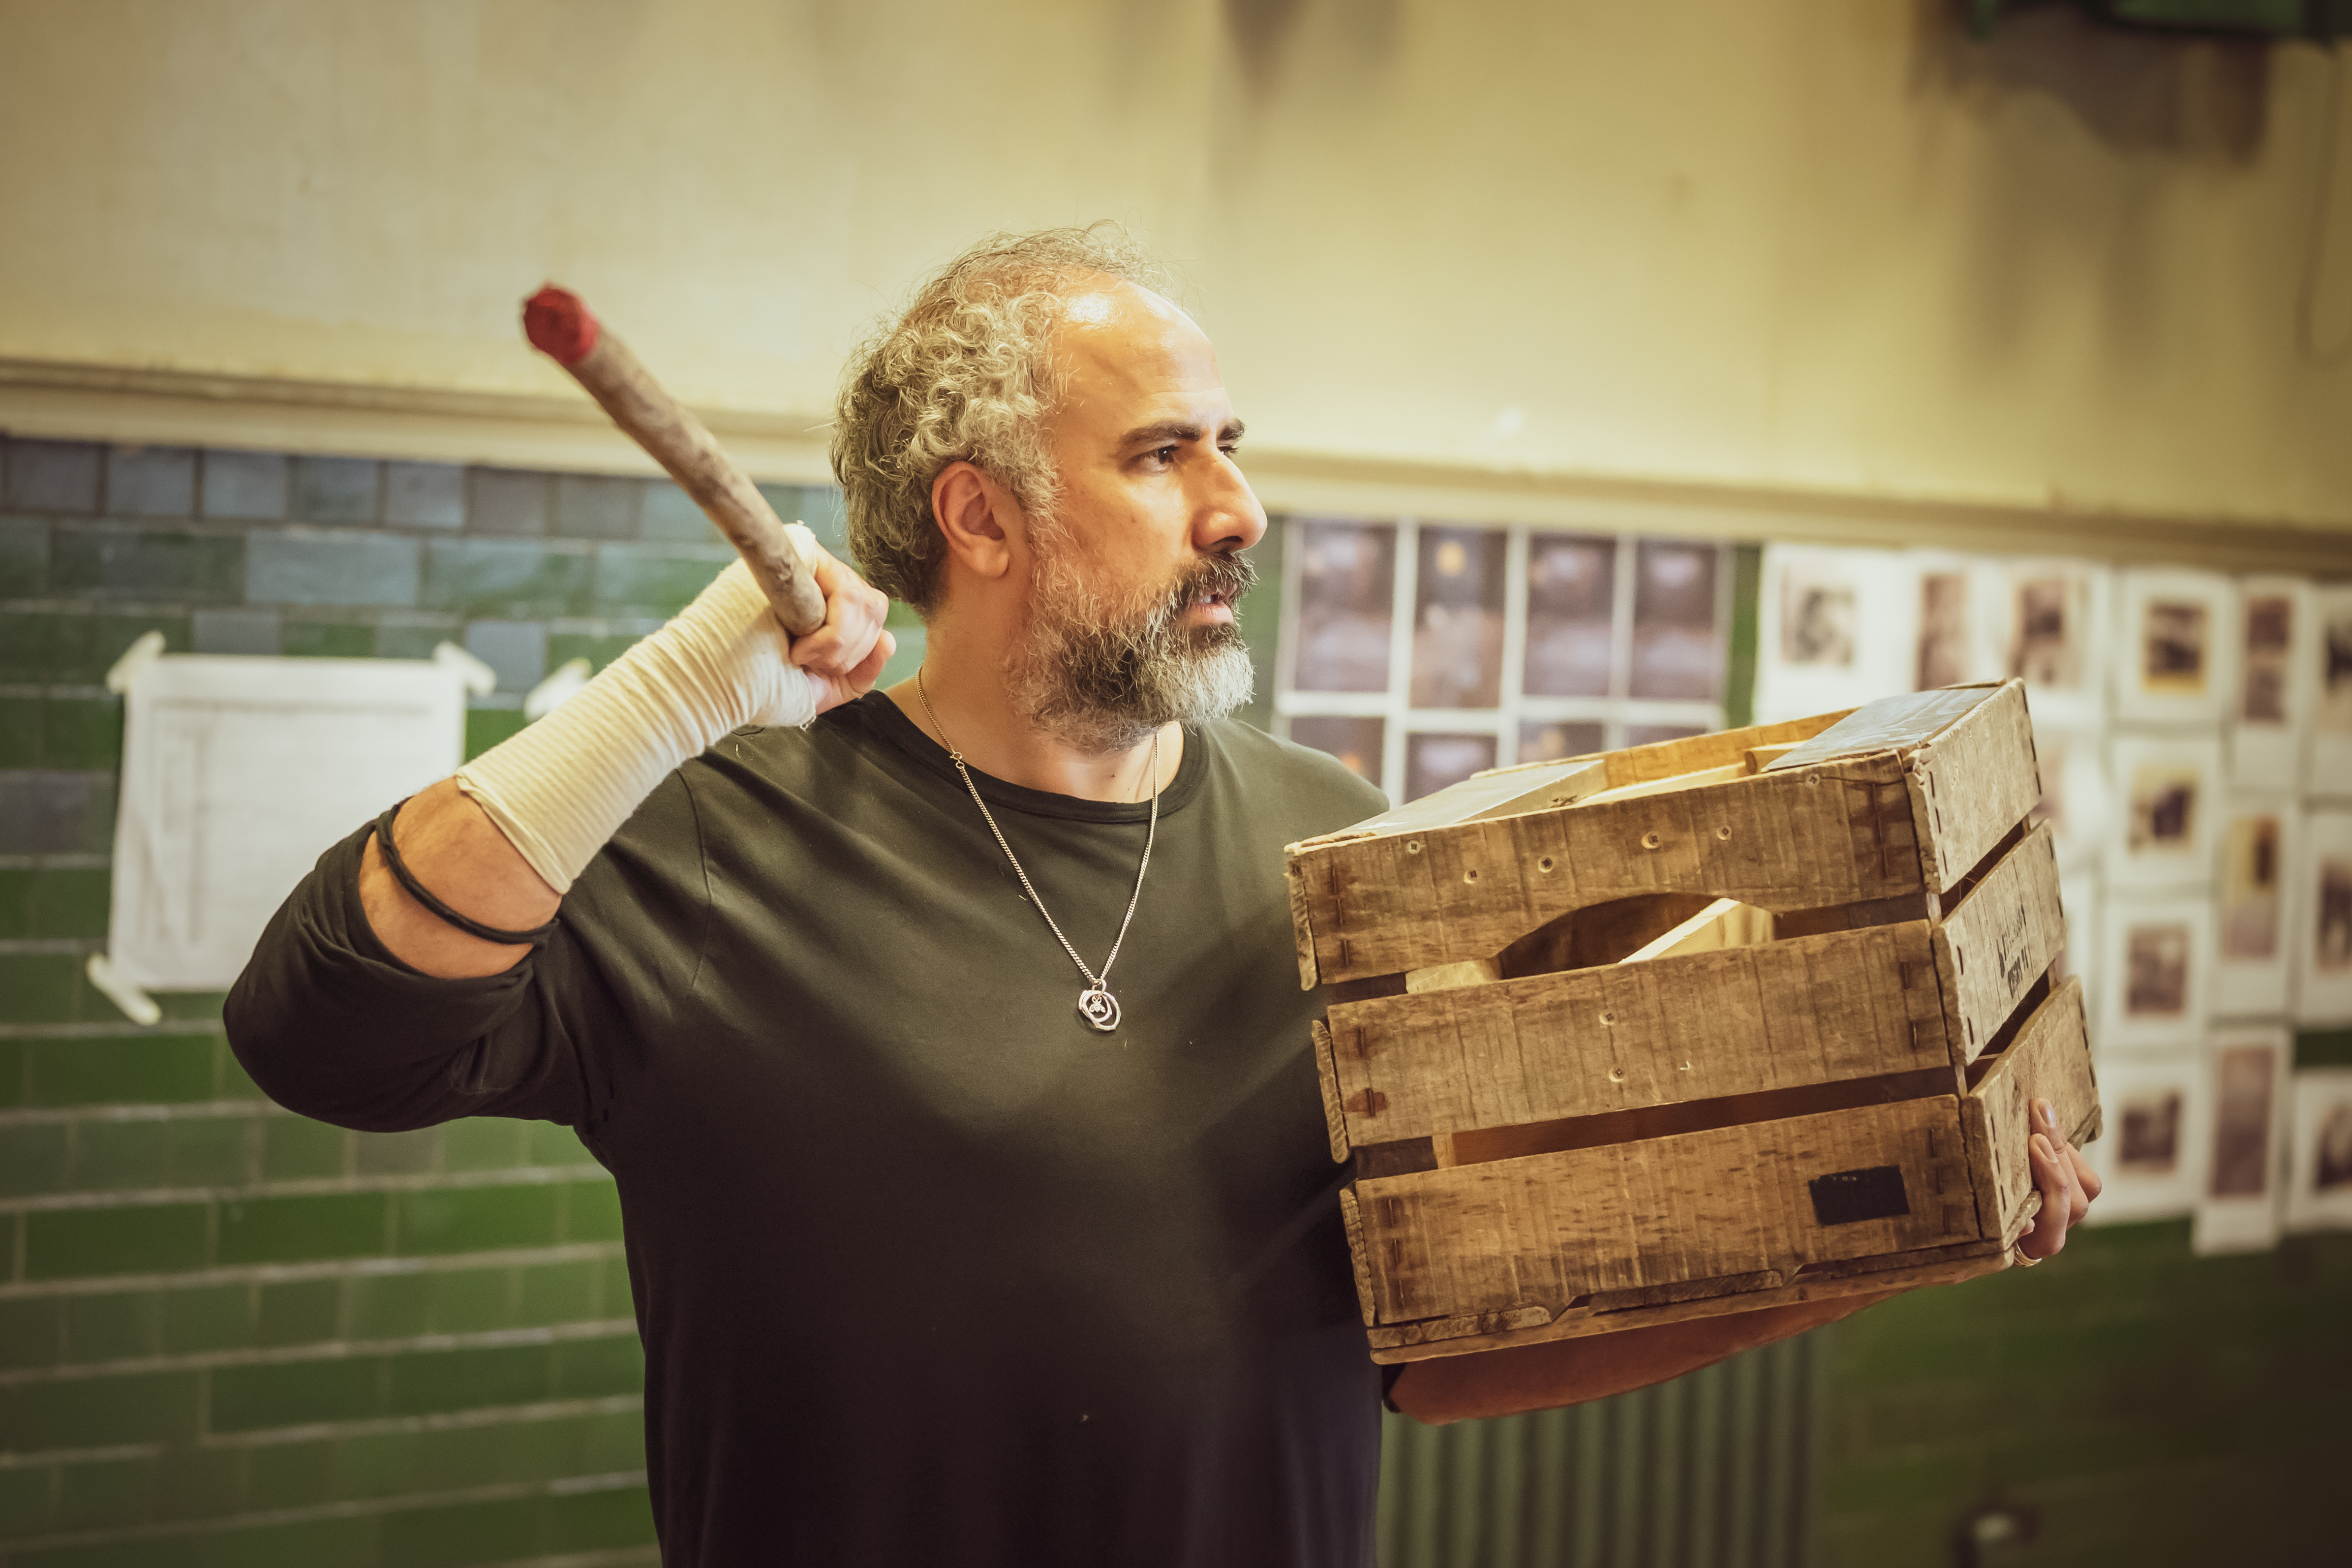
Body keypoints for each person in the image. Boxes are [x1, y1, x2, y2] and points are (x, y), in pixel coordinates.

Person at [225, 227, 2100, 1568]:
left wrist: (1881, 1246)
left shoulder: (1335, 843)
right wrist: (665, 697)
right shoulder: (725, 839)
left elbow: (1439, 1357)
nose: (1238, 509)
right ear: (979, 515)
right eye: (1162, 453)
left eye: (1232, 444)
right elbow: (323, 1030)